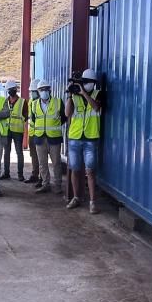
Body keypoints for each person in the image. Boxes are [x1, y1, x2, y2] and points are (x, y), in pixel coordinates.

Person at [64, 68, 104, 213]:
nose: (85, 85)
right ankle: (76, 197)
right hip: (75, 138)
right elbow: (67, 113)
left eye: (87, 83)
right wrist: (70, 95)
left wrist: (84, 93)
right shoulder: (74, 96)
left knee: (90, 171)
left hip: (91, 138)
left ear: (93, 83)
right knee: (75, 169)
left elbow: (96, 107)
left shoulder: (98, 94)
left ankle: (93, 202)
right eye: (83, 82)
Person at [31, 80, 65, 195]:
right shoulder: (34, 104)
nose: (44, 91)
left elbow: (64, 118)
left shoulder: (58, 102)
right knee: (42, 163)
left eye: (46, 89)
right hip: (40, 138)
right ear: (38, 91)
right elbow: (34, 119)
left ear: (49, 90)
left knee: (56, 163)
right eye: (41, 90)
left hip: (54, 138)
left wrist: (52, 125)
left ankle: (58, 186)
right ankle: (46, 184)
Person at [2, 80, 28, 181]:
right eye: (10, 90)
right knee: (6, 152)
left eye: (13, 89)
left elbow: (26, 116)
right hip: (7, 131)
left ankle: (20, 174)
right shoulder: (5, 101)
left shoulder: (22, 102)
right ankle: (6, 173)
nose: (11, 91)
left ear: (16, 90)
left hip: (18, 131)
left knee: (19, 153)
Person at [24, 80, 42, 185]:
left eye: (34, 91)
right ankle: (35, 174)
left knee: (41, 157)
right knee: (34, 156)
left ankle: (42, 177)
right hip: (32, 133)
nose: (32, 93)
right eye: (31, 91)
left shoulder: (44, 102)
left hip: (41, 134)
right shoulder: (31, 102)